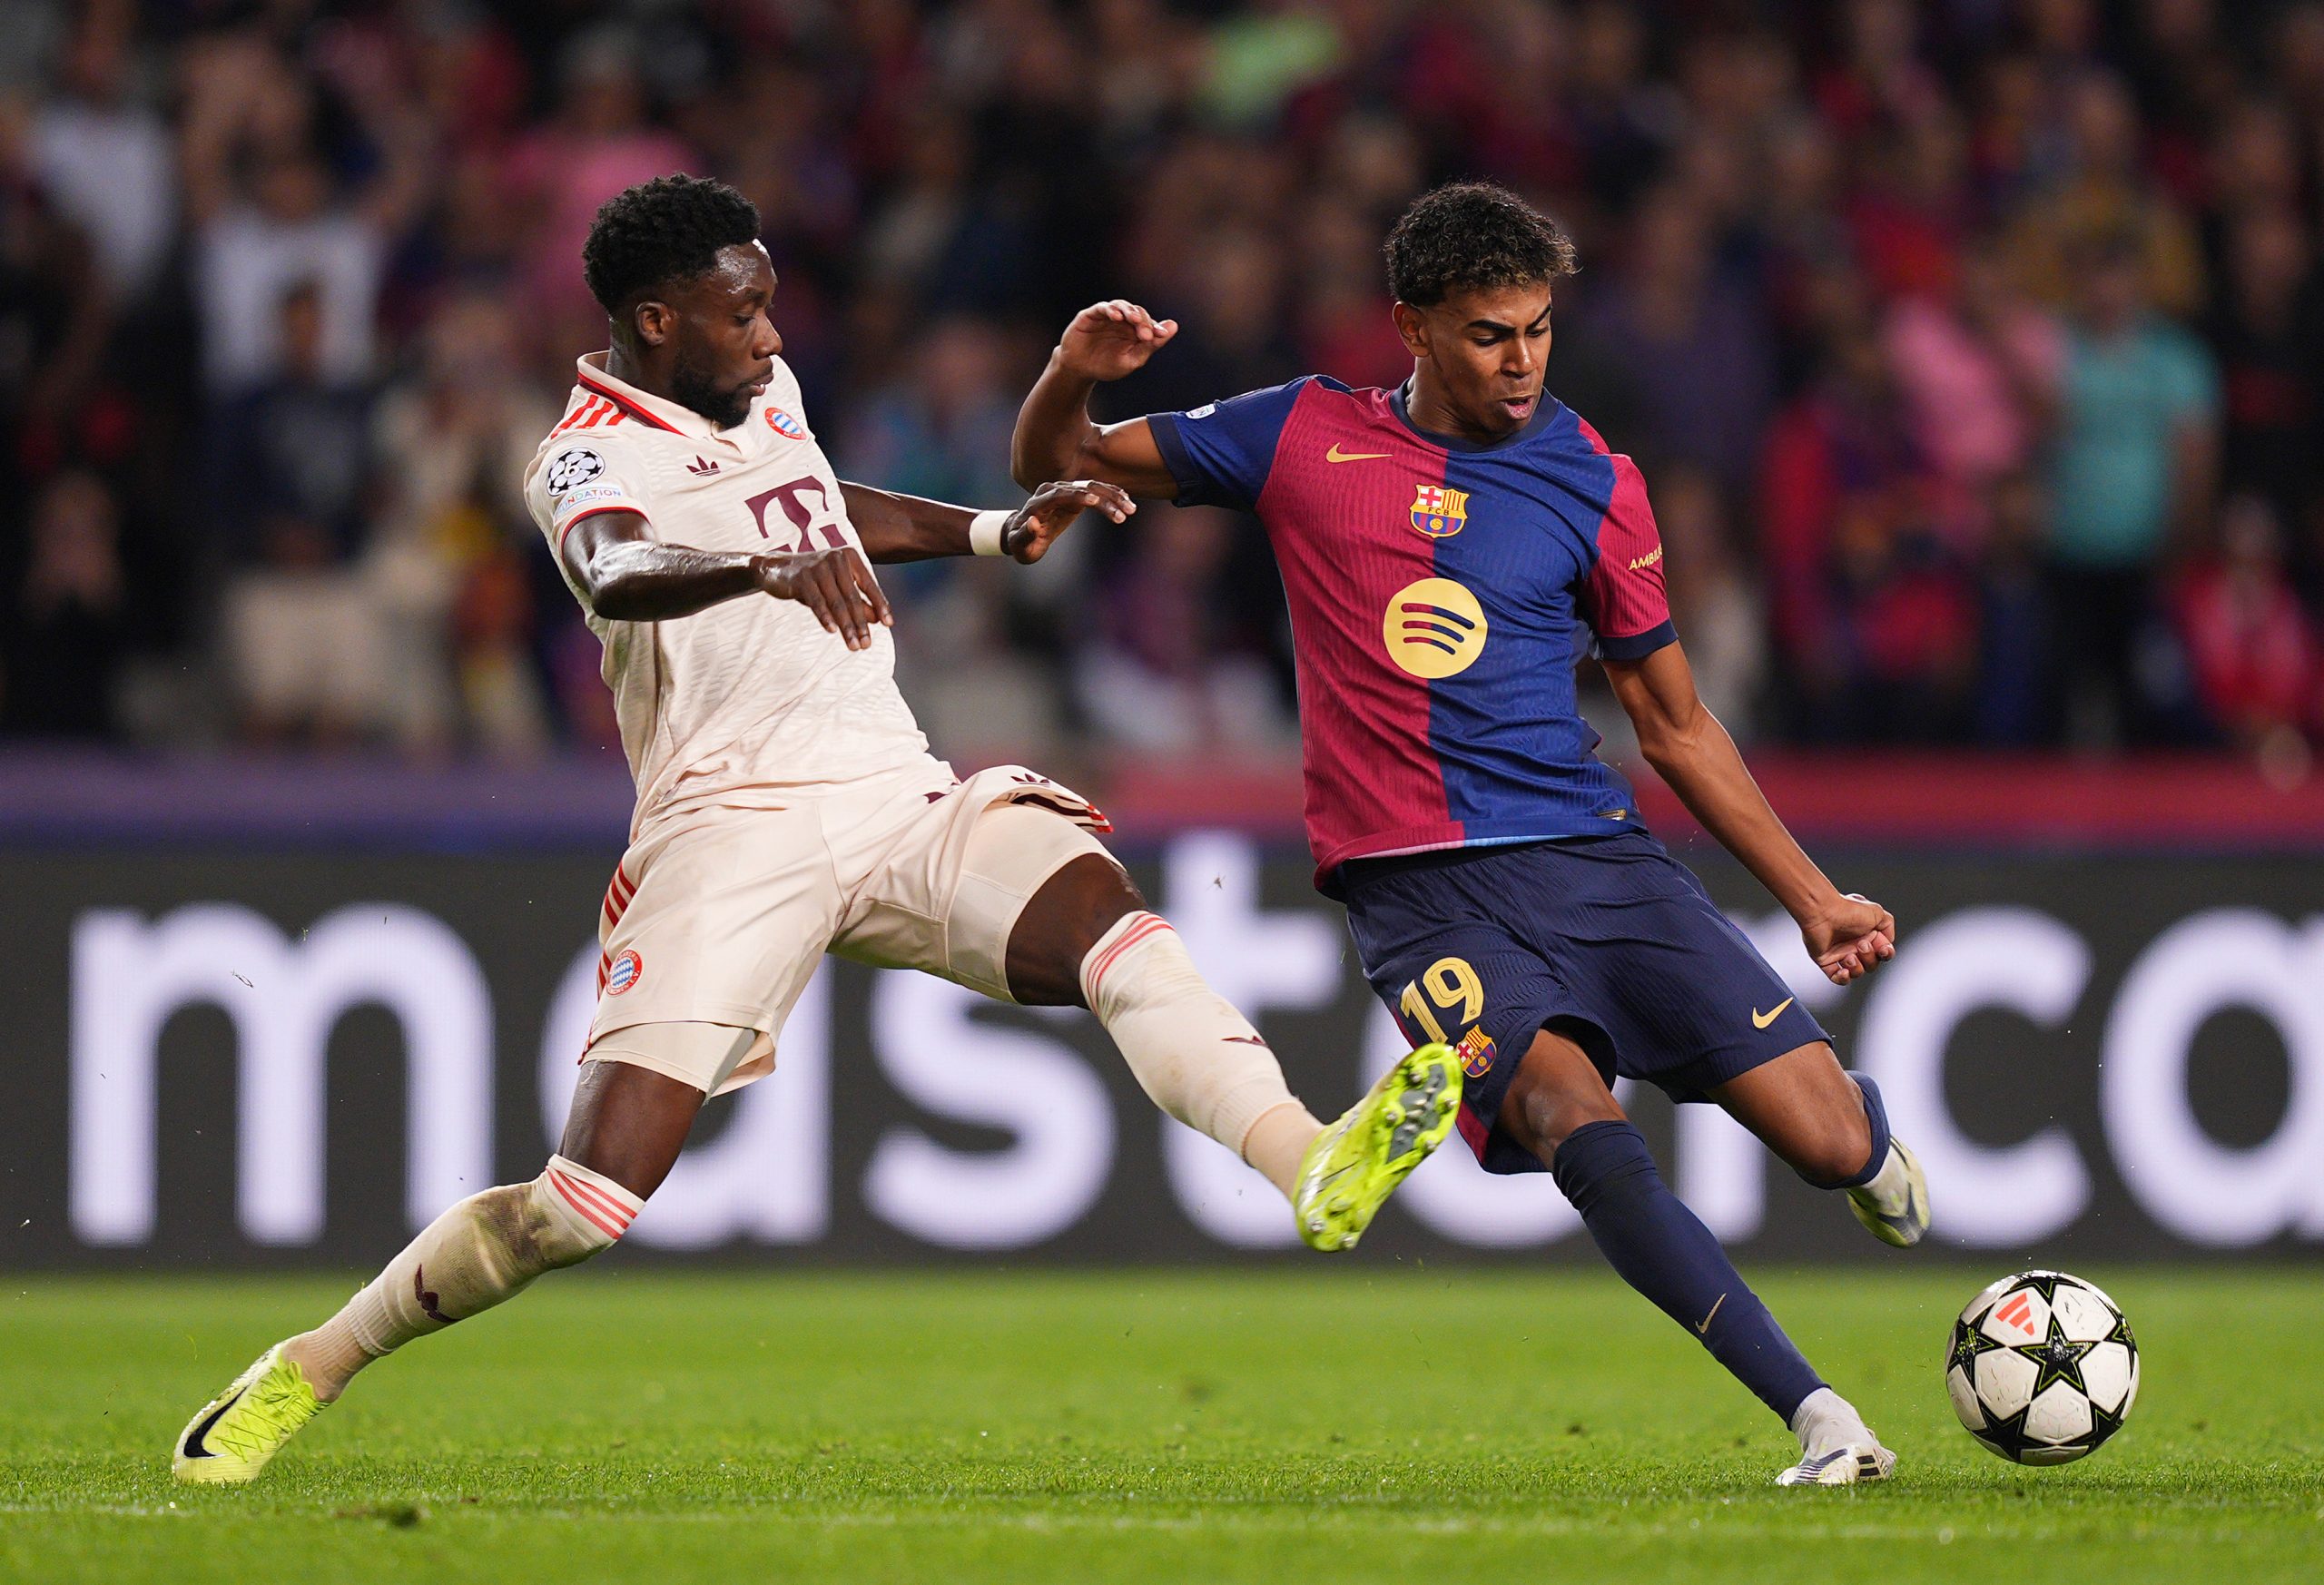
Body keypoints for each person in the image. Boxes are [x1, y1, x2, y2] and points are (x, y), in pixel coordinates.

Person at [171, 175, 1461, 1485]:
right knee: (583, 1204)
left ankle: (1307, 1160)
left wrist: (988, 530)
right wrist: (758, 565)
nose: (773, 336)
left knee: (1107, 920)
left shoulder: (758, 392)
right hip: (729, 828)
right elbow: (619, 565)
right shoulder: (581, 454)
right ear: (658, 322)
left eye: (772, 306)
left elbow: (819, 506)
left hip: (888, 781)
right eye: (743, 315)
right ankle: (311, 1363)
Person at [1010, 182, 1928, 1487]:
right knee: (1567, 1111)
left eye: (1539, 330)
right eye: (1492, 333)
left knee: (1828, 1143)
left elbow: (1672, 723)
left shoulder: (1594, 480)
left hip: (1595, 860)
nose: (1522, 361)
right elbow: (1068, 455)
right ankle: (1820, 1413)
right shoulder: (1299, 434)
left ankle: (1869, 1131)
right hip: (1415, 892)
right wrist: (1066, 378)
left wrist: (1814, 896)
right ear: (1415, 327)